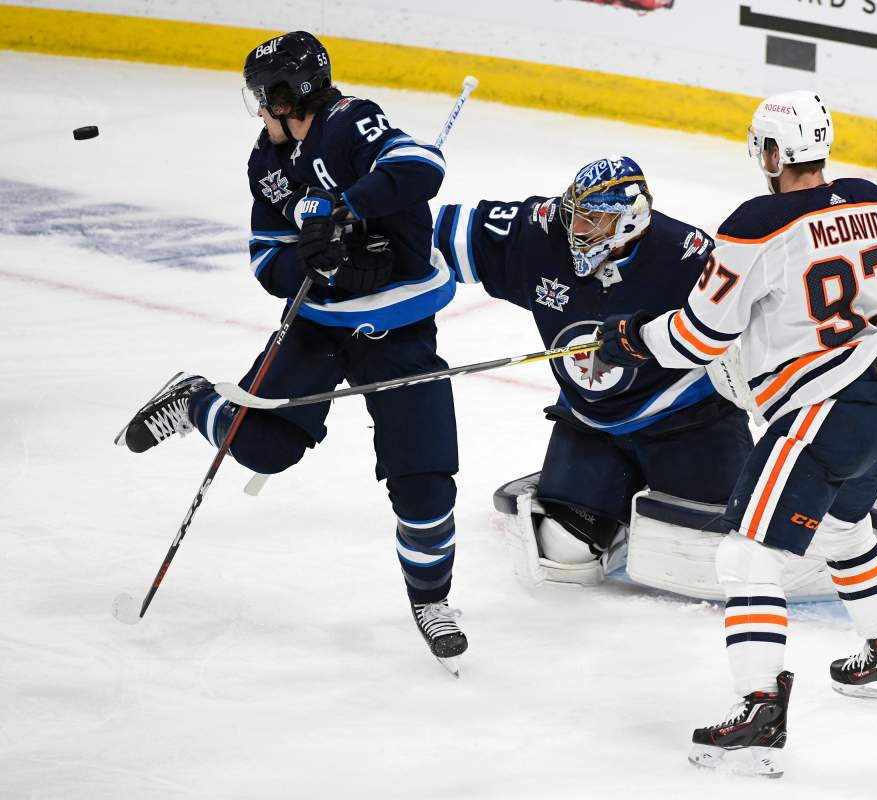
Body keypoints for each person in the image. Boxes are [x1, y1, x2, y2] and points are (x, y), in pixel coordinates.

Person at [598, 91, 877, 777]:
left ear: (774, 154)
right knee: (843, 528)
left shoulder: (756, 223)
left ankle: (760, 709)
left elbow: (700, 334)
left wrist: (629, 339)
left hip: (823, 411)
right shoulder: (869, 200)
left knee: (747, 552)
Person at [115, 32, 467, 674]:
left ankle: (432, 601)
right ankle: (195, 399)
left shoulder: (349, 121)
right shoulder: (267, 164)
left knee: (425, 479)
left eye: (262, 97)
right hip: (318, 328)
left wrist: (343, 209)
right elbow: (266, 257)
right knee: (264, 450)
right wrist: (317, 264)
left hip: (401, 331)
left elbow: (422, 168)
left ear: (288, 95)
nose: (257, 112)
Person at [433, 157, 752, 582]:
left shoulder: (690, 257)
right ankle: (613, 500)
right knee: (562, 553)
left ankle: (651, 488)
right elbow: (444, 233)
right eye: (575, 216)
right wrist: (367, 223)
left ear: (628, 222)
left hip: (690, 423)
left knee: (718, 556)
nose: (576, 231)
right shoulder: (542, 232)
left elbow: (749, 336)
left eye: (593, 220)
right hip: (591, 425)